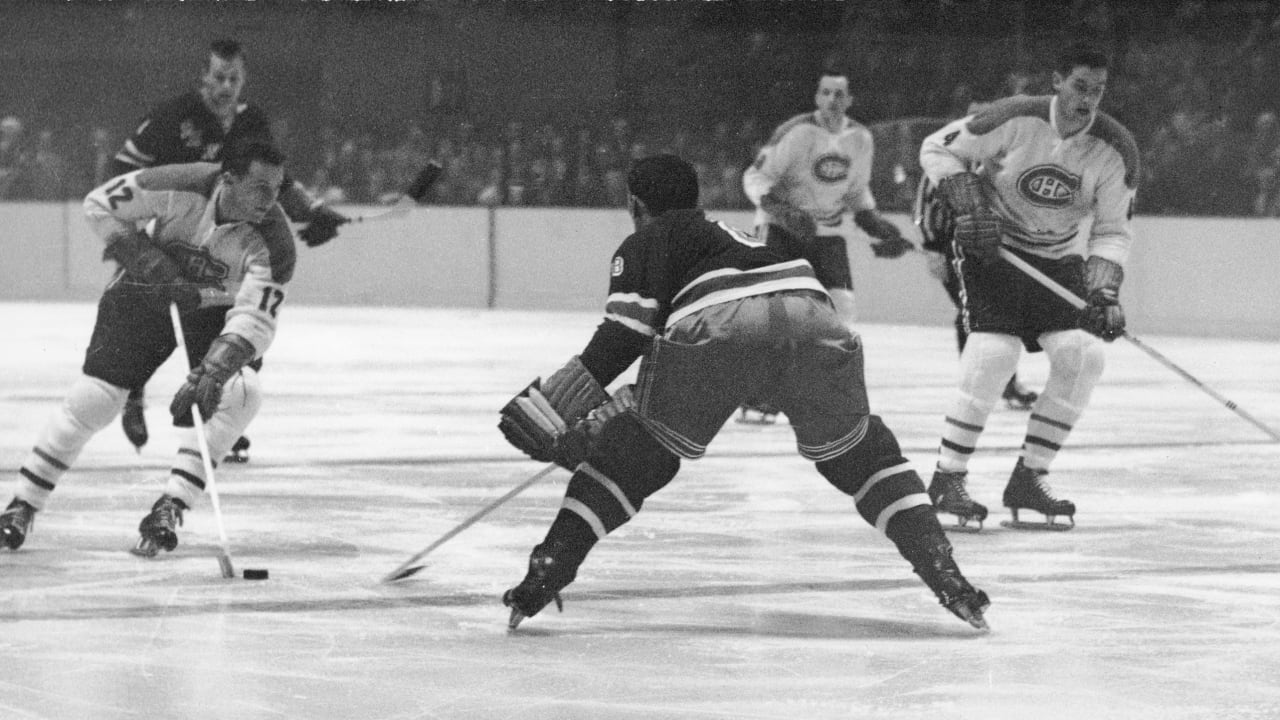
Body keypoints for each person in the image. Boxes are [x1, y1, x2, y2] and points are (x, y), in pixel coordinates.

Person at [496, 154, 989, 631]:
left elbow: (624, 335)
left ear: (635, 205)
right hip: (813, 315)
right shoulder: (744, 236)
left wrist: (554, 405)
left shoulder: (648, 239)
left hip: (721, 323)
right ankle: (946, 574)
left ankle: (549, 568)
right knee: (862, 454)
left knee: (634, 452)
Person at [0, 140, 295, 556]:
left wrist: (215, 369)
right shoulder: (179, 183)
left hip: (214, 312)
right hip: (145, 292)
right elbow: (99, 203)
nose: (272, 200)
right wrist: (144, 258)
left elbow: (257, 318)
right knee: (97, 397)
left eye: (277, 189)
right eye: (261, 188)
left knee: (242, 391)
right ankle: (22, 503)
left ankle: (170, 505)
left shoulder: (276, 244)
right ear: (228, 179)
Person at [916, 41, 1138, 531]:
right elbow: (936, 147)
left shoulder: (1116, 150)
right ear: (1057, 80)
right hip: (990, 250)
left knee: (1084, 356)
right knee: (995, 354)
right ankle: (947, 478)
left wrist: (1103, 292)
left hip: (1057, 259)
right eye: (1080, 86)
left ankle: (1029, 478)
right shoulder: (1013, 117)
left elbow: (1112, 231)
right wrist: (968, 199)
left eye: (1097, 91)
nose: (1087, 99)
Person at [110, 38, 348, 462]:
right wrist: (135, 231)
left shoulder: (250, 119)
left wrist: (311, 211)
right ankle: (132, 391)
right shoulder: (172, 115)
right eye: (218, 77)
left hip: (226, 236)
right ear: (204, 77)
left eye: (234, 78)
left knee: (234, 318)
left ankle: (225, 419)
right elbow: (122, 169)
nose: (226, 86)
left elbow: (274, 179)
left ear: (243, 80)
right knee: (138, 310)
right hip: (171, 226)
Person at [739, 68, 915, 423]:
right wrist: (784, 212)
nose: (833, 100)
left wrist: (873, 221)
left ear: (850, 100)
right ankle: (758, 395)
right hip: (780, 230)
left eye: (840, 94)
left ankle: (817, 388)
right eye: (826, 93)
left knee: (842, 310)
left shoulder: (861, 138)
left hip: (828, 232)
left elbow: (856, 191)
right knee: (779, 314)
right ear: (817, 97)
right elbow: (755, 177)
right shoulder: (797, 132)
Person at [917, 167, 1039, 411]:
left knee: (1001, 312)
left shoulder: (1004, 153)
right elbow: (924, 204)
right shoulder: (945, 156)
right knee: (972, 310)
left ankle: (1003, 382)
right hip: (954, 246)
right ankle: (977, 384)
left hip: (999, 247)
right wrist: (932, 246)